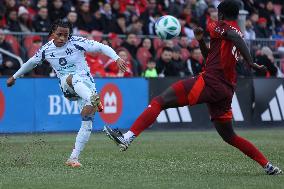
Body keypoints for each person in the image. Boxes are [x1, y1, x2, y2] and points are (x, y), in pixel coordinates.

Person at [103, 0, 282, 175]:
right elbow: (210, 56)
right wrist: (200, 41)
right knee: (230, 136)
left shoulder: (218, 27)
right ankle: (267, 165)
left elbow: (231, 37)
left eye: (216, 13)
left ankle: (126, 138)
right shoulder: (236, 33)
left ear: (221, 14)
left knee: (159, 101)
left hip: (210, 81)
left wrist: (251, 63)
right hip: (225, 90)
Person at [6, 20, 127, 167]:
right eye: (59, 35)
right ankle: (93, 98)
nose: (63, 38)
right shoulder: (46, 49)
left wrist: (117, 58)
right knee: (72, 78)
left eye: (66, 35)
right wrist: (14, 77)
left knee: (87, 122)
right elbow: (31, 63)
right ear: (52, 34)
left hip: (87, 85)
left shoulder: (77, 42)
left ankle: (73, 158)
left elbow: (101, 47)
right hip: (67, 84)